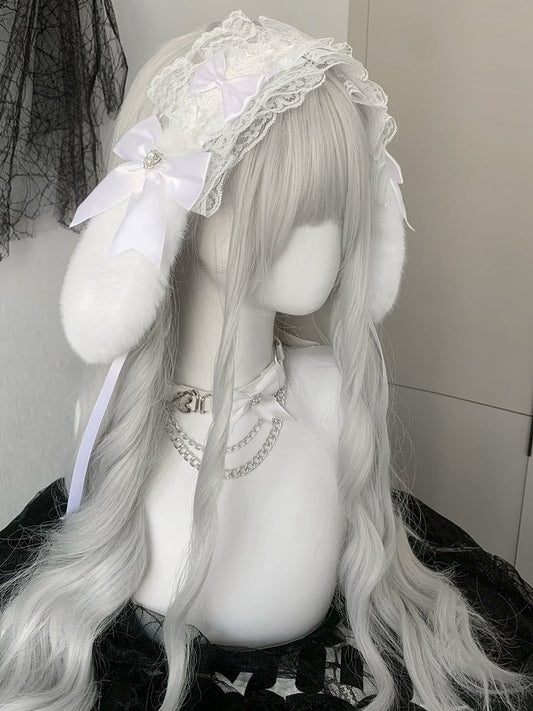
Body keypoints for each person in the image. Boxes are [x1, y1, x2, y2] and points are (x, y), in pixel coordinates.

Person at [1, 10, 532, 711]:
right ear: (186, 210)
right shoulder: (113, 416)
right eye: (297, 205)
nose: (331, 240)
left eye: (339, 206)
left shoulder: (333, 398)